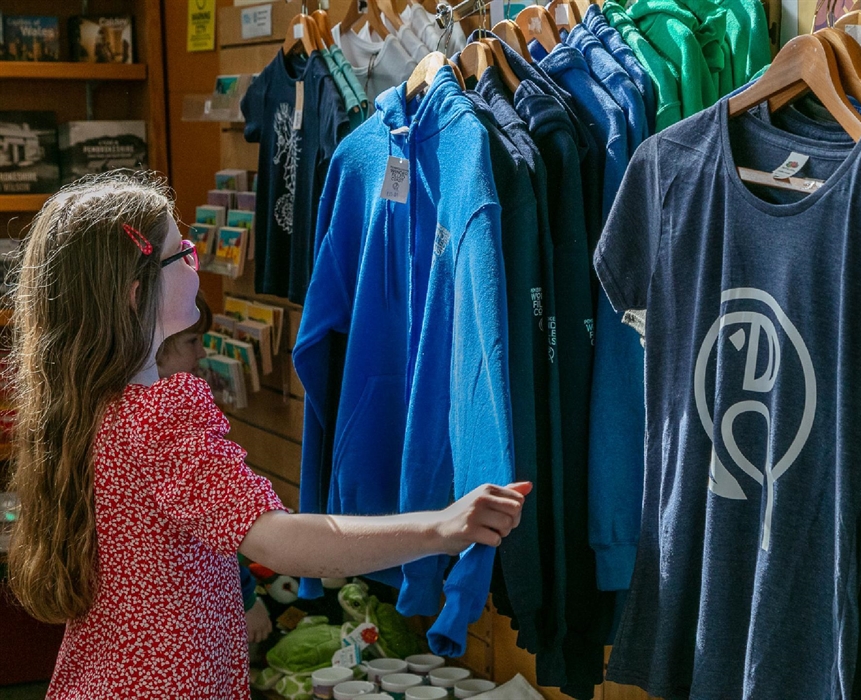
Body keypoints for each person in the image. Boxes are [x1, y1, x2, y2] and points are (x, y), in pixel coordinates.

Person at [5, 173, 531, 698]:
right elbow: (281, 542)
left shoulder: (83, 406)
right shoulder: (163, 414)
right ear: (135, 292)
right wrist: (440, 526)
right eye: (181, 253)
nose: (195, 261)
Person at [155, 290, 274, 644]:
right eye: (192, 340)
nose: (203, 352)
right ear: (157, 344)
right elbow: (213, 537)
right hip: (187, 620)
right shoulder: (167, 423)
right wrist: (248, 596)